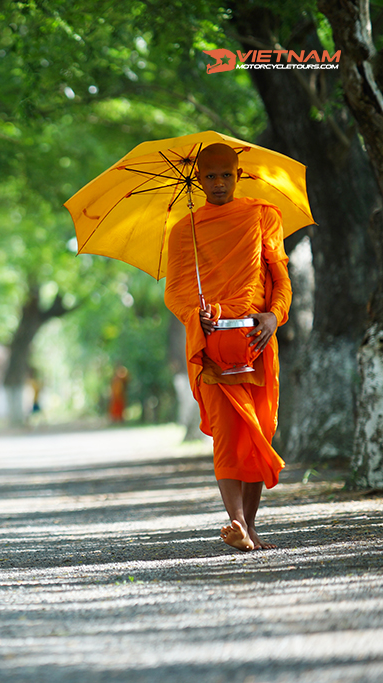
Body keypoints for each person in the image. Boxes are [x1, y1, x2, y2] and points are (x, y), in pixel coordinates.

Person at [164, 143, 292, 552]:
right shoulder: (186, 229)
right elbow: (176, 291)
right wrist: (192, 315)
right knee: (226, 436)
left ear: (239, 175)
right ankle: (235, 522)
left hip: (257, 342)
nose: (218, 183)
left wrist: (275, 315)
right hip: (212, 347)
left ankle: (250, 527)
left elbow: (281, 275)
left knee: (260, 433)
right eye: (210, 176)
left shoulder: (263, 216)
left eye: (225, 175)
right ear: (199, 180)